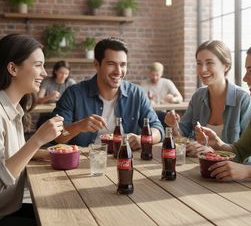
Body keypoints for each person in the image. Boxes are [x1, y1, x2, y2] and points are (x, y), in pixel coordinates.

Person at [53, 37, 164, 149]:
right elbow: (58, 136)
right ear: (96, 64)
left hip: (125, 160)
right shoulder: (73, 94)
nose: (118, 71)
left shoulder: (136, 93)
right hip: (85, 161)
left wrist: (142, 139)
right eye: (111, 64)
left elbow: (158, 129)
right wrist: (78, 126)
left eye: (123, 65)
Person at [0, 34, 64, 224]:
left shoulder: (14, 109)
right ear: (13, 68)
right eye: (38, 65)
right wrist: (38, 139)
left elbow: (9, 156)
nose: (45, 73)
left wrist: (46, 152)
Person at [195, 39, 251, 182]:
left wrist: (249, 171)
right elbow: (239, 151)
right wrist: (218, 144)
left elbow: (249, 168)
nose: (245, 78)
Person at [165, 40, 251, 162]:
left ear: (226, 66)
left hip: (238, 175)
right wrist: (173, 125)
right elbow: (183, 134)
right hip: (201, 168)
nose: (202, 70)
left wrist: (211, 151)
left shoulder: (243, 99)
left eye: (209, 63)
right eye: (199, 63)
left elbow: (248, 151)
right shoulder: (198, 96)